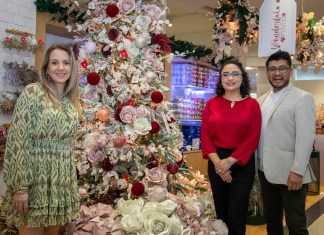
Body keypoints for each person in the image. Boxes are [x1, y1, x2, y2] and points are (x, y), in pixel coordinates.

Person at [1, 43, 82, 235]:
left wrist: (70, 187)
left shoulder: (71, 101)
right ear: (46, 67)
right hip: (34, 181)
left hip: (60, 184)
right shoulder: (33, 93)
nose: (61, 68)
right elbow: (18, 141)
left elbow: (68, 146)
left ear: (72, 68)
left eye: (66, 63)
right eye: (55, 62)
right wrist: (20, 187)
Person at [257, 50, 316, 235]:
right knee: (272, 220)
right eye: (272, 69)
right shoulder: (260, 101)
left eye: (282, 68)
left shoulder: (302, 98)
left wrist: (298, 171)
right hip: (265, 172)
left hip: (291, 174)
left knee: (296, 224)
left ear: (290, 71)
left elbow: (306, 137)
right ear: (267, 72)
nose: (277, 73)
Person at [201, 60, 261, 235]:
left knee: (236, 213)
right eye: (225, 74)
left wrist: (229, 162)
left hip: (242, 163)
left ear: (242, 79)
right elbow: (205, 136)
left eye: (235, 74)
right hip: (216, 161)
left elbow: (253, 137)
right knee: (221, 212)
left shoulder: (252, 105)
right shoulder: (212, 104)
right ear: (221, 79)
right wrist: (219, 164)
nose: (230, 78)